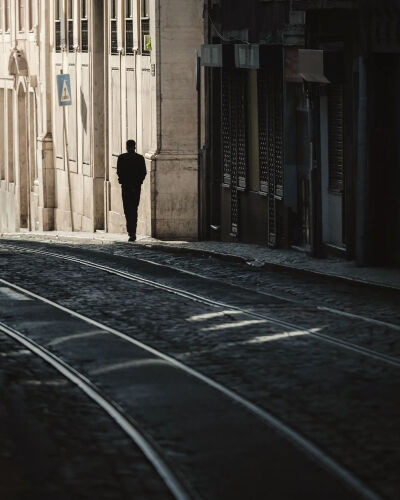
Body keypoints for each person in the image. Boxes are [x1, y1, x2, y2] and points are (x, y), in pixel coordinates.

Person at [117, 140, 147, 242]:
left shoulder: (121, 158)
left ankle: (131, 232)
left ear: (126, 147)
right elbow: (143, 172)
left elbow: (119, 172)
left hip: (126, 187)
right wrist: (139, 182)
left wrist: (122, 180)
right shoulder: (140, 158)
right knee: (134, 209)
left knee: (127, 210)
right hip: (136, 187)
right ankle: (132, 232)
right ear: (134, 147)